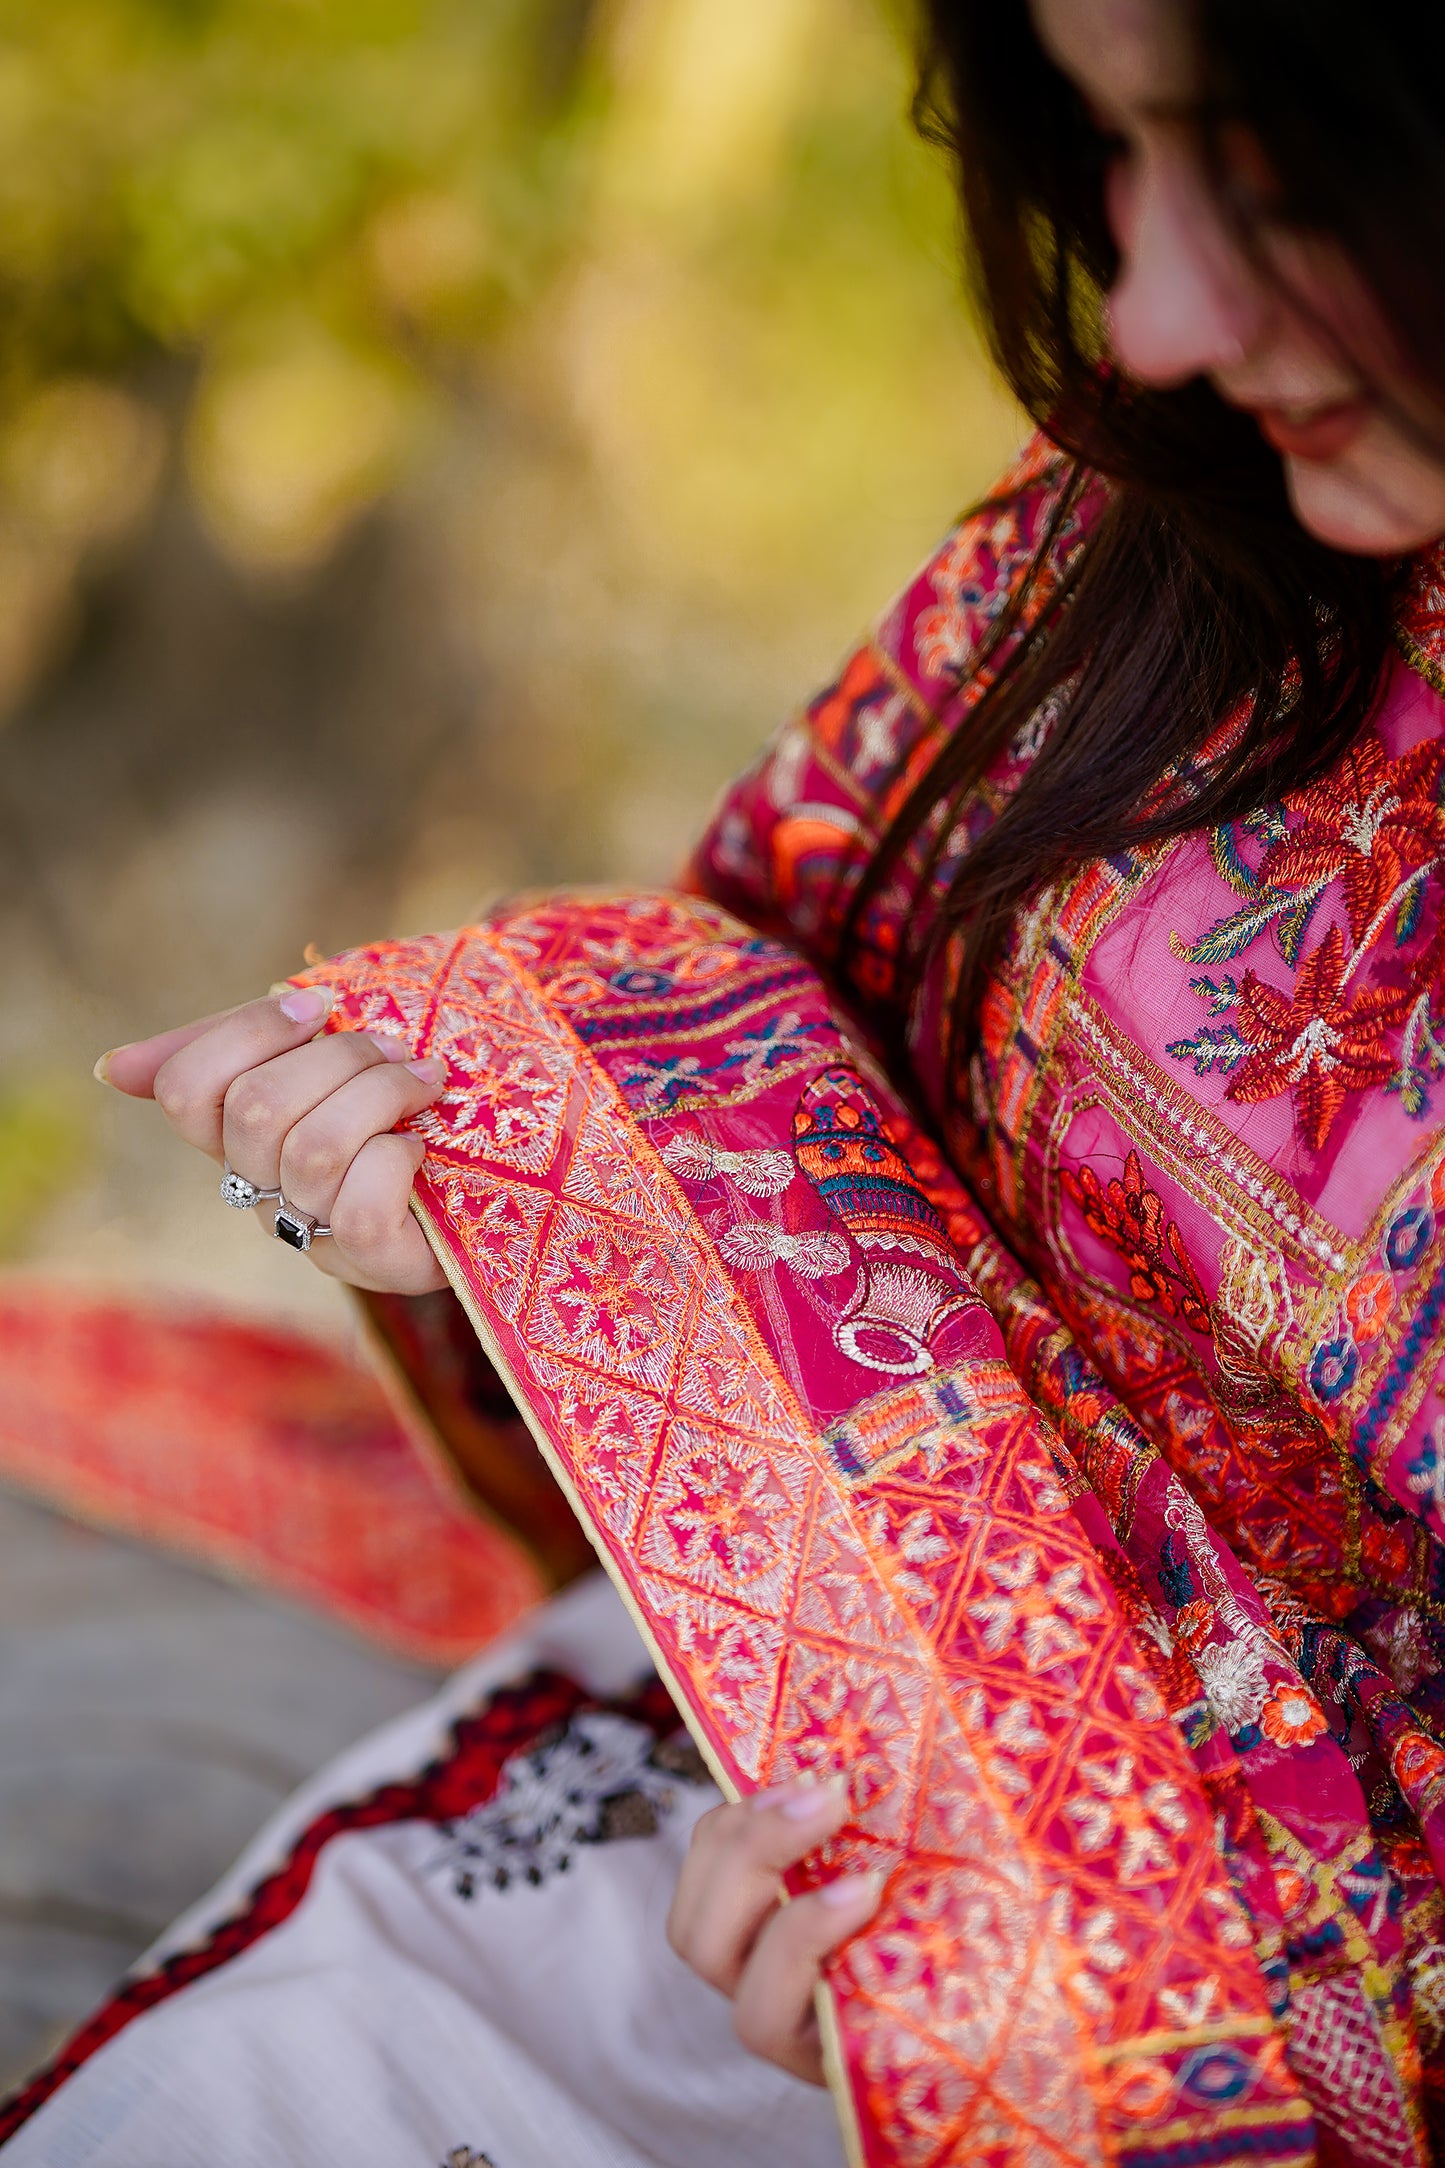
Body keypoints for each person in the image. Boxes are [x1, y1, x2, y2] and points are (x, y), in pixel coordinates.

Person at [9, 0, 1445, 2160]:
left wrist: (1047, 2030)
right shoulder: (1179, 555)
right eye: (1116, 154)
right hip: (733, 1823)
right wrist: (478, 1179)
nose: (1149, 311)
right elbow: (776, 1018)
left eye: (1270, 181)